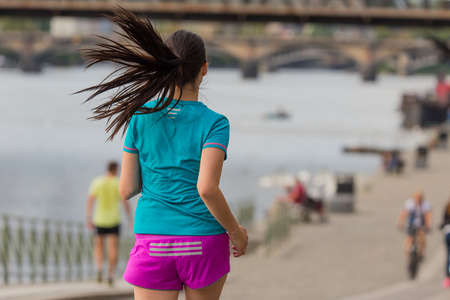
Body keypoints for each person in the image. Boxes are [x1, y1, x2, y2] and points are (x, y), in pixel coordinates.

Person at [78, 8, 248, 300]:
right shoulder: (215, 123)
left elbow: (127, 188)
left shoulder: (140, 116)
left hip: (153, 240)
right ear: (204, 68)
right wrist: (235, 232)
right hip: (203, 242)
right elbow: (206, 187)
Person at [86, 161, 132, 286]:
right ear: (116, 169)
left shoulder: (97, 182)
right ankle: (110, 275)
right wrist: (130, 217)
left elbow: (90, 201)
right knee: (112, 248)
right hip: (114, 220)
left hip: (99, 219)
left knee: (99, 246)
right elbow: (124, 202)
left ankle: (99, 268)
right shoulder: (118, 182)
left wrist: (88, 218)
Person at [397, 190, 432, 259]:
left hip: (421, 224)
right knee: (409, 238)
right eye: (416, 197)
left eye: (419, 197)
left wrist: (428, 225)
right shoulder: (410, 204)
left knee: (421, 236)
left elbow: (428, 215)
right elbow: (404, 214)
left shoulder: (425, 204)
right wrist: (400, 222)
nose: (417, 199)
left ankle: (421, 253)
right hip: (412, 224)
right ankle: (407, 254)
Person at [439, 198, 450, 288]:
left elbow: (444, 220)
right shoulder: (447, 206)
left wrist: (442, 226)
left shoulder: (447, 206)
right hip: (448, 233)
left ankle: (447, 277)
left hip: (447, 232)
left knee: (448, 255)